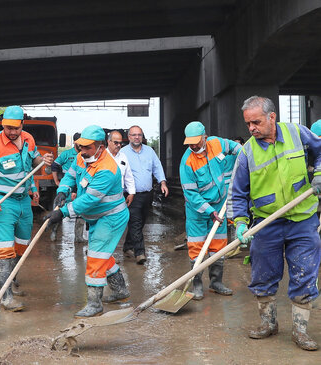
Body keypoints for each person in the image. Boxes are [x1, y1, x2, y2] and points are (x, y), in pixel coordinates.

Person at [228, 95, 321, 351]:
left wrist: (320, 175)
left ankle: (300, 332)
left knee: (305, 273)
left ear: (272, 117)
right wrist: (240, 223)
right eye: (248, 124)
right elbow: (238, 192)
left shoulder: (296, 133)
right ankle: (268, 323)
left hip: (302, 219)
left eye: (256, 122)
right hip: (266, 223)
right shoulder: (247, 151)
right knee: (263, 275)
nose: (251, 129)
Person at [0, 106, 53, 311]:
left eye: (16, 128)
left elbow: (34, 162)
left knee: (21, 246)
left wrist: (42, 161)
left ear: (22, 125)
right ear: (2, 125)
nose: (12, 132)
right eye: (8, 128)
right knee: (4, 249)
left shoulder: (28, 139)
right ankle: (6, 297)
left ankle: (11, 283)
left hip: (23, 201)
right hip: (2, 202)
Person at [48, 125, 130, 318]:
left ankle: (94, 304)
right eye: (81, 147)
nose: (82, 151)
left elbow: (90, 199)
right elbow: (70, 175)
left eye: (87, 148)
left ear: (100, 146)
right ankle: (120, 291)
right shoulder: (81, 157)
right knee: (102, 255)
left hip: (111, 217)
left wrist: (63, 212)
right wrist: (63, 190)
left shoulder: (107, 169)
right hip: (97, 216)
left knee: (96, 257)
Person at [179, 121, 241, 300]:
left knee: (218, 246)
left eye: (196, 142)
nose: (193, 146)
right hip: (198, 210)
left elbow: (235, 147)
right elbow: (191, 194)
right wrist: (208, 211)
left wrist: (245, 156)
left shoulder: (216, 143)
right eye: (189, 142)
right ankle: (197, 286)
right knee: (197, 248)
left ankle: (216, 282)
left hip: (219, 206)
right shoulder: (187, 162)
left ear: (205, 137)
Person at [121, 125, 168, 264]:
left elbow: (157, 167)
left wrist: (163, 182)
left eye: (139, 135)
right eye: (134, 135)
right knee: (135, 222)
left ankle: (128, 246)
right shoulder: (123, 153)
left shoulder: (149, 152)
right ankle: (140, 253)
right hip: (131, 195)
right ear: (129, 137)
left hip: (148, 194)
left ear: (142, 136)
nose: (137, 137)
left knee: (141, 221)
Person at [50, 132, 81, 241]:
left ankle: (79, 238)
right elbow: (54, 165)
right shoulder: (66, 154)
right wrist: (57, 181)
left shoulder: (85, 155)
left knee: (80, 213)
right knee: (58, 209)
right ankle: (54, 232)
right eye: (78, 141)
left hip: (79, 186)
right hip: (66, 185)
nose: (81, 144)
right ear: (74, 142)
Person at [107, 130, 136, 206]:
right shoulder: (101, 156)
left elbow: (128, 176)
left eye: (120, 143)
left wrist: (131, 193)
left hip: (119, 196)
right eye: (116, 143)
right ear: (109, 141)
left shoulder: (123, 156)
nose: (119, 145)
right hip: (104, 196)